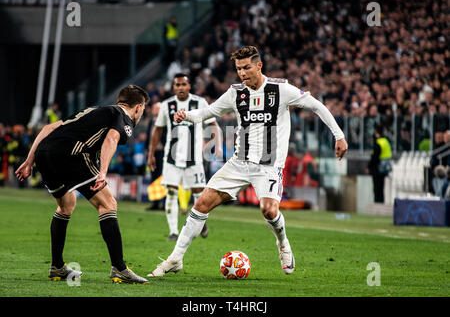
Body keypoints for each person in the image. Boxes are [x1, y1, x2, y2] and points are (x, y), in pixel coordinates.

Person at [147, 46, 348, 277]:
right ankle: (175, 259)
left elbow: (315, 105)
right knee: (201, 204)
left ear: (259, 65)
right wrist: (187, 116)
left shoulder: (280, 89)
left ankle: (283, 243)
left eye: (246, 67)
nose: (242, 73)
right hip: (239, 163)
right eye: (238, 69)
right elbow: (209, 112)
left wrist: (339, 135)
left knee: (268, 210)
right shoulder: (235, 93)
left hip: (269, 166)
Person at [15, 85, 150, 284]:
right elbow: (112, 138)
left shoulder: (93, 110)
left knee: (66, 205)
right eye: (143, 109)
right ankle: (119, 268)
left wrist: (29, 160)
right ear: (138, 107)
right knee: (108, 204)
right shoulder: (123, 118)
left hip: (44, 154)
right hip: (72, 154)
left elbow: (49, 128)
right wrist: (103, 172)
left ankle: (57, 267)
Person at [147, 73, 222, 241]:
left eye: (183, 85)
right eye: (177, 85)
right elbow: (158, 129)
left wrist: (216, 144)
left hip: (194, 158)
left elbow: (213, 123)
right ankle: (174, 232)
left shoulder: (200, 103)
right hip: (171, 159)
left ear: (189, 86)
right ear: (174, 87)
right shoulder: (167, 105)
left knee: (199, 194)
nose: (180, 88)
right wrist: (151, 153)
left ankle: (201, 224)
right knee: (171, 193)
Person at [367, 124, 392, 203]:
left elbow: (375, 157)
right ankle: (381, 202)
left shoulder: (378, 143)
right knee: (381, 187)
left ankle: (377, 203)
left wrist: (369, 167)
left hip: (378, 168)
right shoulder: (386, 141)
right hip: (385, 168)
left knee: (377, 188)